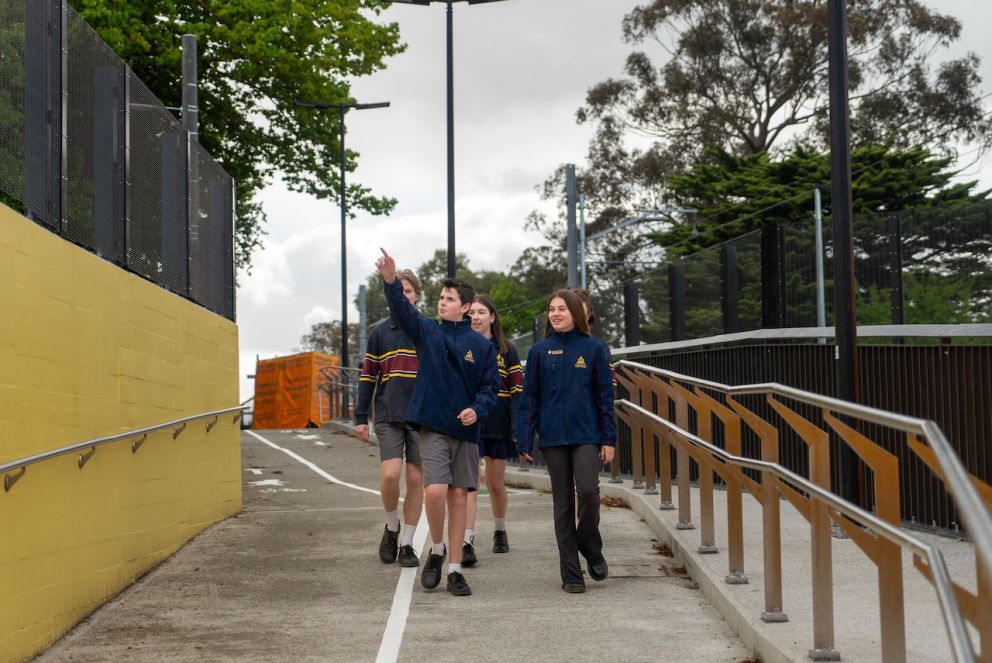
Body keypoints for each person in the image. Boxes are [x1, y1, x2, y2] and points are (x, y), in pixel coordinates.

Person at [375, 248, 499, 597]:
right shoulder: (427, 331)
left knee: (460, 496)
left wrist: (477, 408)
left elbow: (491, 389)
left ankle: (454, 568)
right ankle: (437, 547)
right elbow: (402, 309)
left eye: (449, 299)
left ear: (465, 305)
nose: (442, 303)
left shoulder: (482, 347)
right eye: (441, 298)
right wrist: (389, 281)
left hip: (467, 432)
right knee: (434, 489)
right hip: (432, 427)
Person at [517, 289, 616, 594]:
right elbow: (529, 398)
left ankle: (590, 545)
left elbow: (604, 398)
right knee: (562, 504)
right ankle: (571, 573)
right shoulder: (538, 352)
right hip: (552, 438)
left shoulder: (594, 349)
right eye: (551, 309)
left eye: (562, 308)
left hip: (586, 435)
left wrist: (608, 438)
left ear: (576, 312)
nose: (556, 313)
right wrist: (524, 438)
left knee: (588, 491)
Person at [355, 269, 424, 568]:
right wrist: (360, 416)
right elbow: (368, 377)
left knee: (416, 479)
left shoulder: (427, 329)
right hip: (388, 414)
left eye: (409, 290)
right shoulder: (379, 333)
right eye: (399, 290)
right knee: (391, 475)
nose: (404, 295)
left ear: (417, 295)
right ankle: (391, 527)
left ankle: (407, 542)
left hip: (423, 417)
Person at [462, 294, 524, 565]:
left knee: (495, 484)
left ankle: (500, 530)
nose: (475, 317)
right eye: (472, 312)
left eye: (481, 312)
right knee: (470, 484)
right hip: (470, 423)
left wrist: (517, 427)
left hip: (497, 423)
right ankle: (466, 539)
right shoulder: (461, 345)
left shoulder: (507, 350)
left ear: (492, 317)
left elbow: (517, 390)